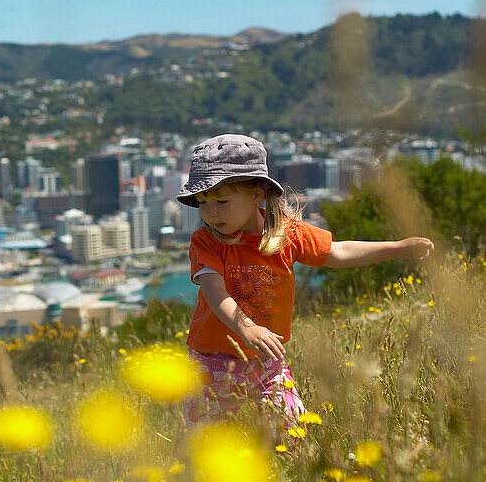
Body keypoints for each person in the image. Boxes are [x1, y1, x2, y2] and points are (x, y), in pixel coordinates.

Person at [177, 135, 434, 429]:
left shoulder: (286, 234)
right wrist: (246, 327)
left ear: (257, 194)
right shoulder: (206, 241)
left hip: (267, 359)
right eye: (202, 203)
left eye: (222, 201)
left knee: (288, 429)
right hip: (212, 359)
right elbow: (214, 290)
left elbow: (337, 252)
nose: (211, 212)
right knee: (208, 441)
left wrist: (398, 248)